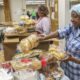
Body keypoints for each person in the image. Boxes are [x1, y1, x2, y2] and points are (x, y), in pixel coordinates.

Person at [38, 4, 80, 80]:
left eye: (75, 16)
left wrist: (72, 59)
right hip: (66, 69)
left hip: (76, 73)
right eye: (72, 16)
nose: (72, 19)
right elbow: (60, 32)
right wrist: (45, 37)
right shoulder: (73, 27)